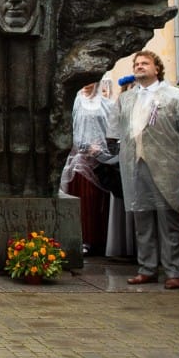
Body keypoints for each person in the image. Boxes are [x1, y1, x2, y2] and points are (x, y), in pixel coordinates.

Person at [106, 50, 179, 290]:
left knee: (169, 219)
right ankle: (146, 268)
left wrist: (172, 154)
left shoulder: (176, 96)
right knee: (142, 218)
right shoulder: (126, 99)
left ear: (157, 68)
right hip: (135, 165)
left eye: (145, 63)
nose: (139, 66)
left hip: (166, 165)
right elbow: (116, 130)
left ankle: (173, 270)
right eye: (136, 63)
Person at [60, 81, 119, 255]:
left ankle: (98, 239)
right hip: (80, 160)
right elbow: (69, 127)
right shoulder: (75, 103)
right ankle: (82, 238)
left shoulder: (107, 104)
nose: (87, 85)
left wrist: (103, 149)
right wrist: (83, 146)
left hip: (101, 160)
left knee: (97, 201)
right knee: (82, 199)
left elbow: (112, 129)